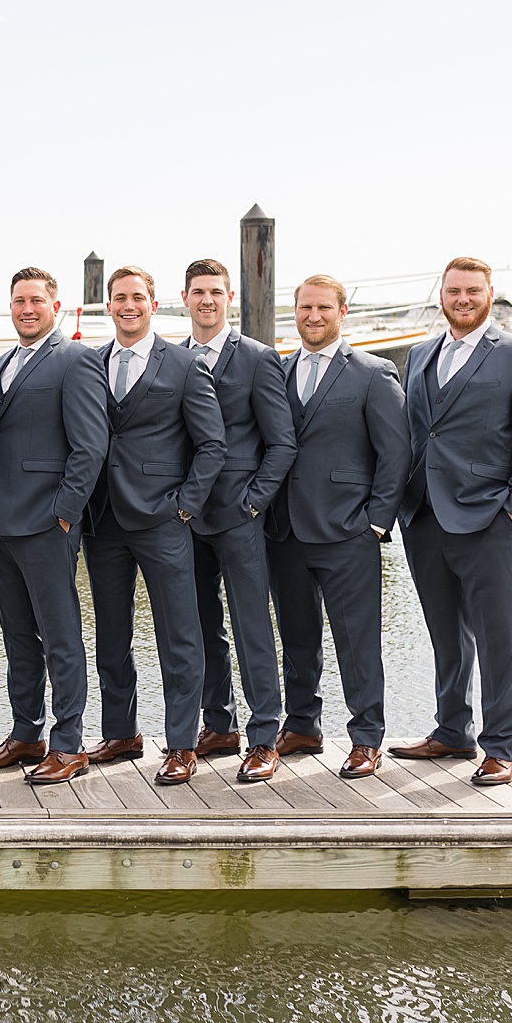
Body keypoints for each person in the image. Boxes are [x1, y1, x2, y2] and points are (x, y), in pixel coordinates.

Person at [393, 257, 512, 787]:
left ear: (490, 294)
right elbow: (419, 434)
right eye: (453, 291)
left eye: (472, 291)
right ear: (440, 294)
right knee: (446, 632)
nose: (462, 299)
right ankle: (453, 730)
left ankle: (503, 745)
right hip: (424, 514)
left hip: (490, 517)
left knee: (499, 637)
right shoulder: (420, 354)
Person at [83, 266, 226, 785]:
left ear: (153, 303)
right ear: (108, 305)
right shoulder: (91, 363)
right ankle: (121, 733)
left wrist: (184, 506)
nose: (128, 306)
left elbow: (212, 445)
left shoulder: (185, 365)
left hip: (163, 520)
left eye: (137, 297)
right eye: (119, 298)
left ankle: (182, 743)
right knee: (111, 634)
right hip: (103, 521)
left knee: (179, 635)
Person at [264, 275, 409, 782]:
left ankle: (367, 738)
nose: (313, 316)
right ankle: (302, 724)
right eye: (305, 307)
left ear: (342, 312)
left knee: (357, 640)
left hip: (349, 531)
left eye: (324, 307)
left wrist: (376, 523)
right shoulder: (277, 371)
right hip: (285, 532)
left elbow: (396, 453)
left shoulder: (373, 373)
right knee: (297, 637)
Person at [0, 267, 109, 785]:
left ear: (54, 305)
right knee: (16, 635)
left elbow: (90, 446)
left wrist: (65, 512)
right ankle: (26, 733)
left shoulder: (76, 360)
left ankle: (69, 742)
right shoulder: (0, 363)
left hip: (49, 521)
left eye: (35, 301)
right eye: (18, 301)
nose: (26, 309)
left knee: (60, 636)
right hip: (0, 521)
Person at [180, 259, 297, 784]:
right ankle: (218, 723)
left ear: (230, 297)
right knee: (202, 626)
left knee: (252, 626)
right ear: (184, 298)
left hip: (239, 514)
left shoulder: (257, 359)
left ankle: (264, 736)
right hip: (184, 515)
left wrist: (254, 502)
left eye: (215, 292)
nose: (207, 300)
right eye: (198, 292)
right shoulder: (173, 358)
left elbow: (282, 442)